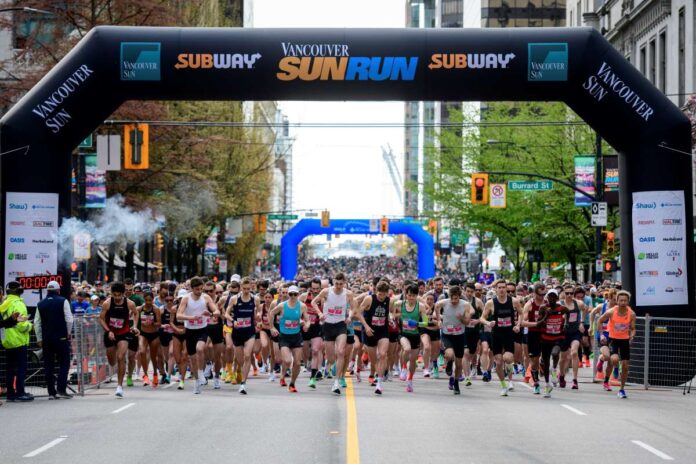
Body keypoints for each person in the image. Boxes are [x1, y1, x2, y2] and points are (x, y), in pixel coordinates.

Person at [311, 273, 355, 395]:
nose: (339, 286)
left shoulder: (348, 293)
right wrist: (320, 314)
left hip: (341, 324)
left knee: (341, 351)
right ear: (333, 282)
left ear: (344, 283)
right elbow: (314, 302)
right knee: (330, 358)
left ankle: (336, 382)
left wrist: (350, 316)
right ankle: (333, 367)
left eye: (341, 284)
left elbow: (353, 308)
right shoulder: (326, 291)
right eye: (336, 283)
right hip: (328, 325)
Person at [480, 279, 524, 397]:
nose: (502, 290)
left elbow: (521, 313)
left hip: (509, 333)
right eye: (499, 288)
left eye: (504, 287)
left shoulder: (514, 301)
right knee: (499, 362)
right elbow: (482, 318)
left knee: (508, 358)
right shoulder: (491, 303)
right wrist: (488, 323)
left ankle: (510, 380)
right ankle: (503, 384)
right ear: (496, 289)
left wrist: (518, 325)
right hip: (496, 335)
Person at [177, 277, 220, 394]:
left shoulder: (206, 298)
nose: (200, 291)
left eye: (201, 289)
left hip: (202, 329)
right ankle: (197, 381)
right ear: (191, 288)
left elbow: (217, 312)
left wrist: (210, 314)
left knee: (200, 349)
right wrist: (190, 318)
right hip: (190, 330)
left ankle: (201, 372)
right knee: (192, 358)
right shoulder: (186, 299)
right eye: (197, 289)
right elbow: (178, 315)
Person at [99, 282, 140, 398]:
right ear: (111, 294)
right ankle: (119, 368)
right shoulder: (107, 303)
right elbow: (101, 319)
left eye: (119, 295)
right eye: (115, 295)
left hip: (124, 333)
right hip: (111, 333)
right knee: (112, 362)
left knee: (121, 357)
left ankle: (119, 386)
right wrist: (108, 331)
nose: (117, 298)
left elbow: (136, 314)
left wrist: (135, 326)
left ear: (123, 294)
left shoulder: (129, 303)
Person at [35, 281, 74, 400]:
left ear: (47, 290)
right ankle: (61, 390)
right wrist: (68, 332)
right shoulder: (63, 301)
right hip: (61, 337)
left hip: (47, 339)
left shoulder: (40, 304)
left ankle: (51, 392)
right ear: (58, 290)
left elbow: (36, 323)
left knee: (48, 365)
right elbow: (69, 319)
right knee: (64, 363)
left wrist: (39, 338)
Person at [269, 285, 310, 393]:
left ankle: (292, 383)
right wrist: (272, 327)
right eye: (290, 294)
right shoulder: (282, 306)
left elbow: (307, 319)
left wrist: (307, 325)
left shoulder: (302, 306)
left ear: (298, 295)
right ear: (288, 294)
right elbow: (271, 313)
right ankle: (282, 376)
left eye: (295, 294)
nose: (292, 296)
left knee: (297, 363)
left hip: (296, 336)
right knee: (287, 361)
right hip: (284, 337)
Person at [597, 290, 636, 399]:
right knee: (614, 360)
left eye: (625, 300)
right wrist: (601, 335)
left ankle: (622, 389)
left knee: (625, 365)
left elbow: (633, 328)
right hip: (612, 339)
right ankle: (609, 377)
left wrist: (632, 335)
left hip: (624, 340)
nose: (623, 302)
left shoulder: (631, 314)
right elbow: (600, 320)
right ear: (617, 301)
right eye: (621, 300)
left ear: (628, 301)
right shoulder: (611, 311)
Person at [225, 277, 259, 394]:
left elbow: (258, 312)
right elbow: (226, 313)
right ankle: (240, 372)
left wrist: (257, 317)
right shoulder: (234, 299)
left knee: (247, 355)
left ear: (251, 287)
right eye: (244, 289)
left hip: (249, 331)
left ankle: (243, 384)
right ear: (240, 287)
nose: (246, 291)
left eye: (248, 289)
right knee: (240, 360)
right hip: (237, 332)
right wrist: (233, 320)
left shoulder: (255, 299)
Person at [391, 284, 427, 393]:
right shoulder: (399, 304)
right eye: (409, 295)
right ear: (406, 295)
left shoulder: (420, 306)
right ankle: (403, 368)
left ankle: (410, 380)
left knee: (413, 360)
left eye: (413, 296)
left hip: (415, 335)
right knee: (406, 349)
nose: (411, 298)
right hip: (403, 333)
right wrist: (394, 318)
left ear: (416, 296)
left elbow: (425, 323)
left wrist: (417, 323)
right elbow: (392, 311)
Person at [356, 280, 391, 395]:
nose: (381, 297)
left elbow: (387, 313)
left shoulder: (388, 300)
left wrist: (389, 319)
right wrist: (366, 326)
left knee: (382, 354)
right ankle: (373, 371)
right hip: (369, 331)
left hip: (383, 331)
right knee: (374, 360)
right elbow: (358, 313)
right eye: (380, 294)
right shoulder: (369, 299)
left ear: (387, 293)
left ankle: (379, 383)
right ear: (376, 291)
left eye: (384, 294)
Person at [0, 281, 33, 402]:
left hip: (6, 340)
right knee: (21, 368)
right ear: (18, 291)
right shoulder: (18, 304)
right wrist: (30, 326)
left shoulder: (3, 303)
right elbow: (21, 325)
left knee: (10, 369)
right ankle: (20, 392)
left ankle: (10, 394)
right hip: (18, 340)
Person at [435, 286, 471, 395]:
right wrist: (438, 320)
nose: (454, 301)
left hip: (459, 335)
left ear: (459, 297)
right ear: (449, 296)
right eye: (452, 298)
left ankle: (456, 382)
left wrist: (461, 319)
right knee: (449, 354)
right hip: (447, 334)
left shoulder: (465, 305)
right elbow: (436, 306)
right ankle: (449, 363)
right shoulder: (444, 303)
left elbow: (467, 322)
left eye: (456, 298)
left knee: (459, 364)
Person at [536, 289, 567, 398]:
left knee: (555, 354)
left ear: (557, 298)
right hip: (545, 337)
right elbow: (538, 324)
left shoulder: (562, 308)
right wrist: (546, 316)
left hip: (558, 336)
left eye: (554, 297)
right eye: (550, 296)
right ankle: (547, 385)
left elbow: (570, 314)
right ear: (547, 298)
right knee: (545, 362)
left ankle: (554, 369)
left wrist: (566, 324)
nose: (552, 299)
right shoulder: (543, 308)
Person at [559, 286, 587, 389]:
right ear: (563, 294)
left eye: (571, 293)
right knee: (563, 358)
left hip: (575, 332)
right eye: (567, 293)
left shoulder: (578, 303)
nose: (569, 295)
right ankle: (561, 375)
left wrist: (581, 322)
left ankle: (575, 380)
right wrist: (561, 318)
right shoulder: (560, 304)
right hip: (563, 333)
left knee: (574, 352)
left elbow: (585, 309)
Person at [137, 291, 162, 388]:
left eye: (150, 300)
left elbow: (159, 324)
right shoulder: (140, 309)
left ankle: (155, 373)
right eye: (146, 300)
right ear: (144, 299)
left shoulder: (156, 309)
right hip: (143, 334)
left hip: (154, 334)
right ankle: (145, 375)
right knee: (142, 352)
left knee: (153, 356)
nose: (148, 302)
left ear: (153, 299)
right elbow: (134, 318)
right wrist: (136, 326)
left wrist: (151, 323)